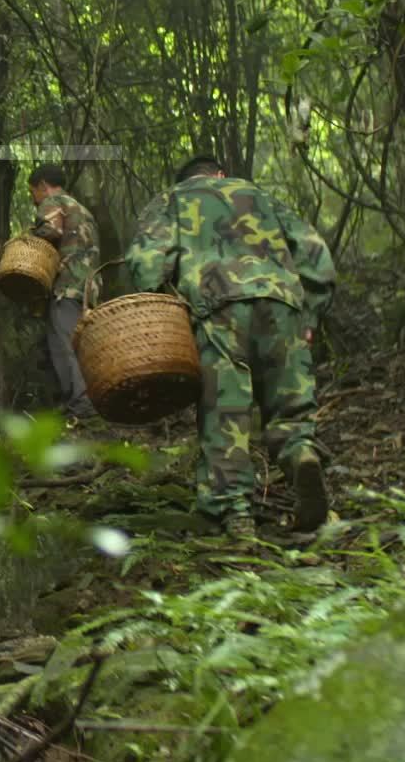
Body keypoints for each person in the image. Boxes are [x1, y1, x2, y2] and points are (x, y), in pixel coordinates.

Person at [124, 155, 336, 539]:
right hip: (282, 302)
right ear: (220, 174)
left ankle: (236, 513)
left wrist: (162, 311)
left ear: (186, 179)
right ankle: (300, 451)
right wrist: (311, 315)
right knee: (290, 402)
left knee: (226, 413)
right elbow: (315, 252)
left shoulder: (172, 199)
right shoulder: (259, 194)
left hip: (217, 307)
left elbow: (146, 261)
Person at [25, 163, 101, 422]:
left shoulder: (53, 201)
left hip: (69, 283)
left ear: (43, 186)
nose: (35, 200)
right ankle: (85, 398)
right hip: (90, 284)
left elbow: (51, 231)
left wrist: (28, 238)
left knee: (65, 342)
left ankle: (82, 403)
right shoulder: (81, 208)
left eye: (33, 192)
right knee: (82, 341)